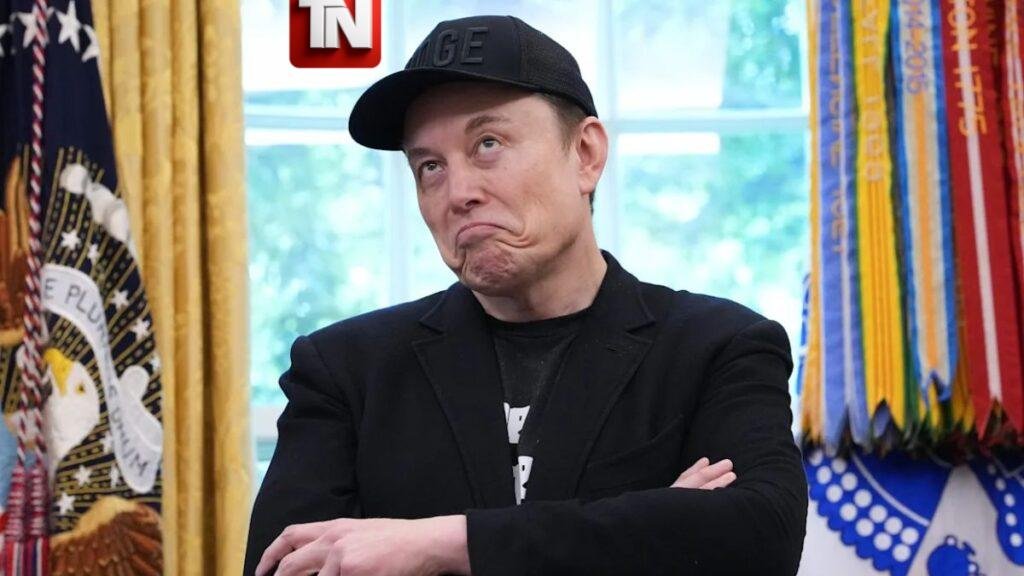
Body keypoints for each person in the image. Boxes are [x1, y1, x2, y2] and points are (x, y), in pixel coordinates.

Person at [244, 14, 808, 576]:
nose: (458, 193)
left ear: (585, 154)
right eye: (430, 167)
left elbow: (759, 541)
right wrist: (653, 525)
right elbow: (281, 567)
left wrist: (437, 542)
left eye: (488, 144)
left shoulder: (718, 347)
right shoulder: (345, 371)